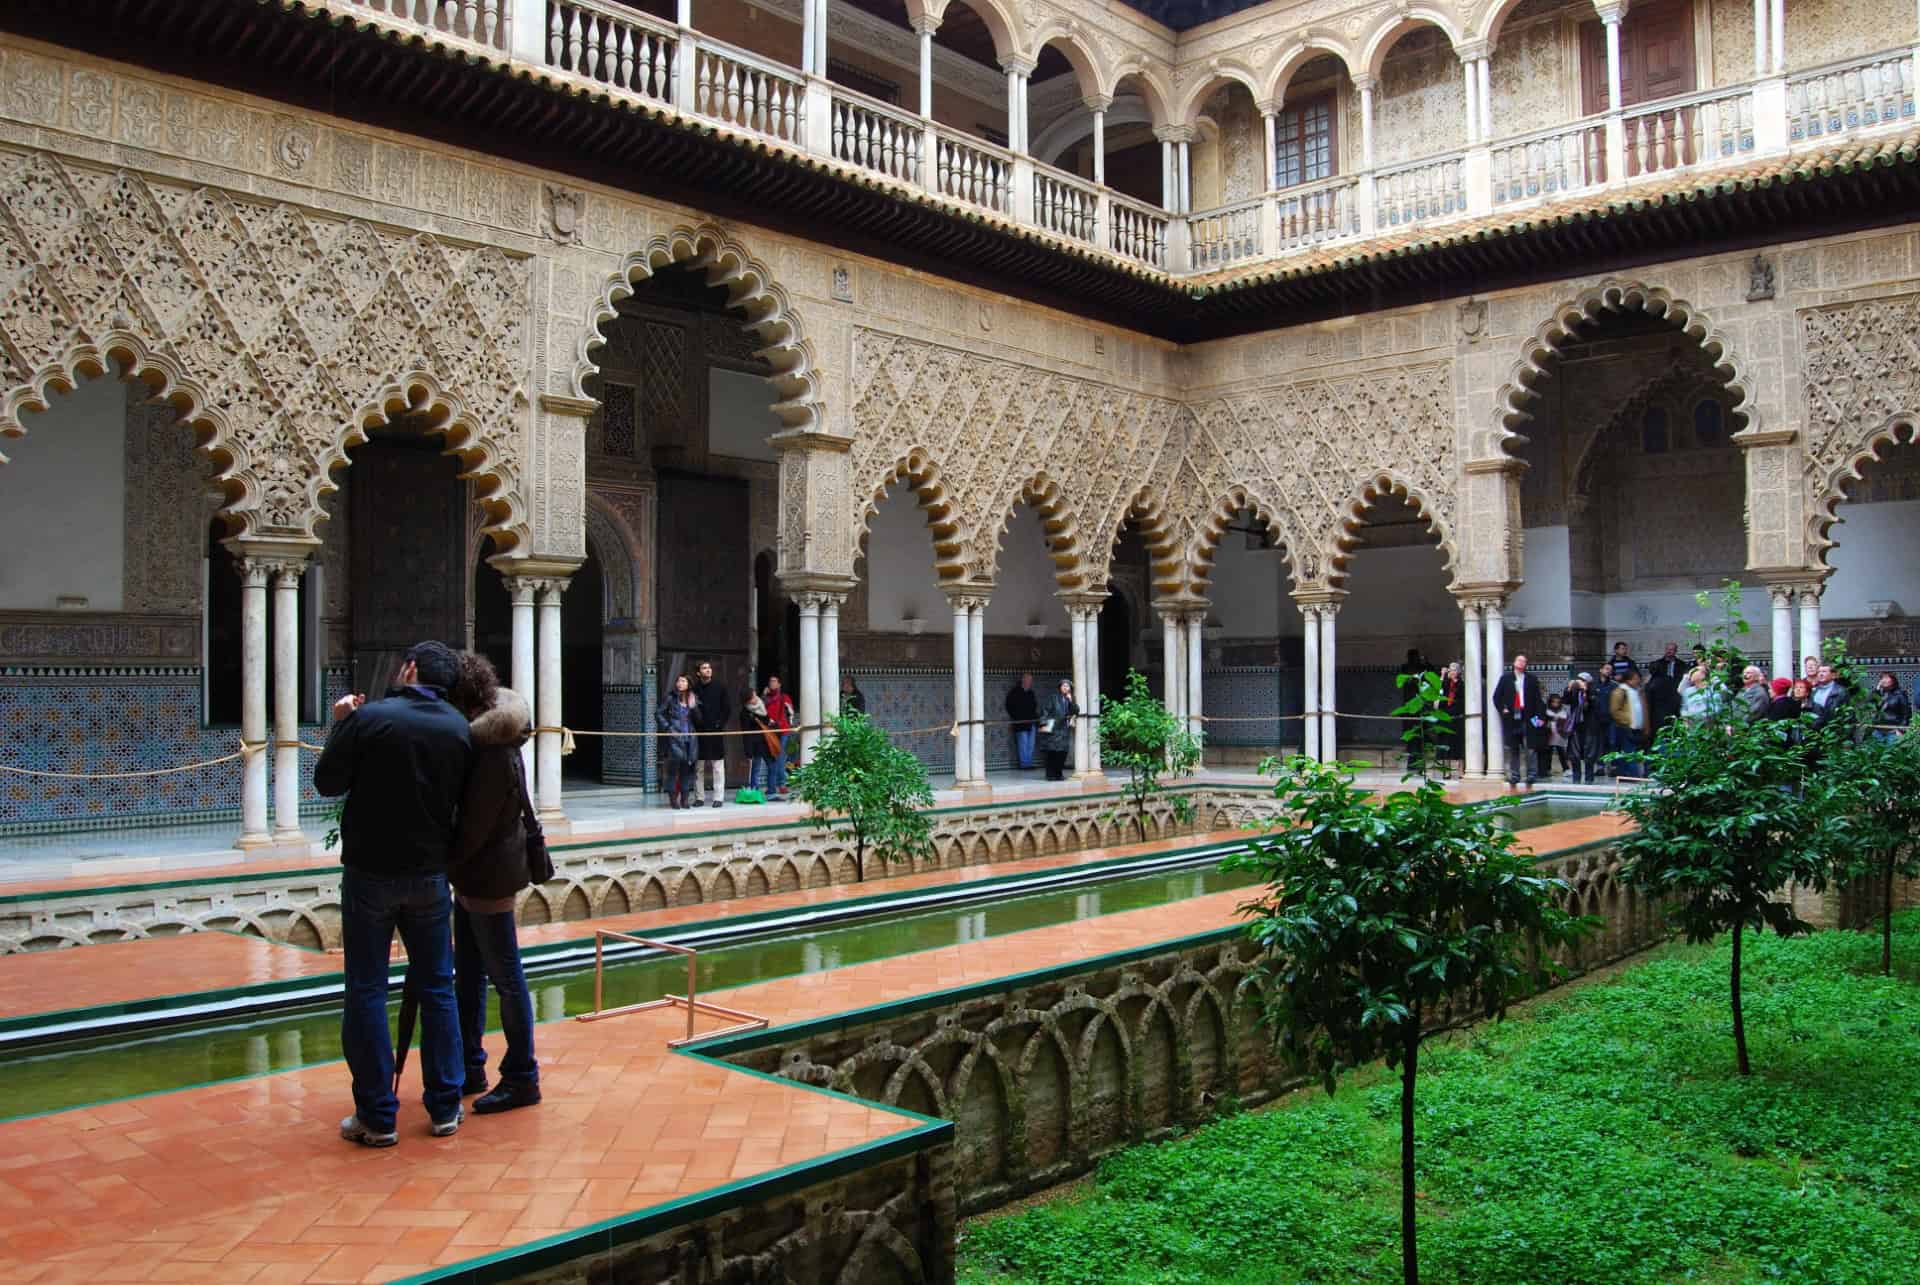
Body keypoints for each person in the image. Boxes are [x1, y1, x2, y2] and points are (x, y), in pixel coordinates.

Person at [313, 640, 472, 1148]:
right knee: (438, 988)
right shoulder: (459, 730)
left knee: (366, 990)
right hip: (429, 876)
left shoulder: (372, 718)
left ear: (408, 669)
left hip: (371, 875)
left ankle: (378, 1116)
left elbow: (326, 781)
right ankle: (445, 1106)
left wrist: (342, 724)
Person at [446, 653, 541, 1115]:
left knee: (505, 978)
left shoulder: (490, 752)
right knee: (471, 973)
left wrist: (444, 860)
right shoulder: (497, 741)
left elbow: (475, 828)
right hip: (479, 876)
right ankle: (470, 1064)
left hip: (487, 877)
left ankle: (522, 1075)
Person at [1490, 653, 1544, 786]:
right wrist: (1503, 709)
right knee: (1513, 748)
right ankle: (1515, 775)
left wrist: (1538, 718)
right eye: (1519, 660)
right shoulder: (1506, 678)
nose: (1521, 663)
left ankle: (1531, 774)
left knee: (1530, 748)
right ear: (1514, 663)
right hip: (1512, 719)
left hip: (1528, 717)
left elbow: (1538, 700)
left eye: (1524, 661)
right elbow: (1497, 696)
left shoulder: (1531, 679)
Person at [689, 660, 731, 808]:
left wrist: (719, 724)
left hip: (715, 732)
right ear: (698, 672)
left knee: (718, 767)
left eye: (709, 667)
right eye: (704, 668)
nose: (708, 670)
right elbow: (691, 710)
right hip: (700, 733)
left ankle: (718, 797)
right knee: (699, 767)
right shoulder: (694, 690)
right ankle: (699, 797)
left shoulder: (720, 687)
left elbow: (727, 709)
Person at [657, 673, 698, 808]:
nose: (680, 683)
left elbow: (699, 719)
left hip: (689, 739)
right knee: (673, 771)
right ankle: (673, 799)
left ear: (688, 684)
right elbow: (658, 713)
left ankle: (685, 799)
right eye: (678, 681)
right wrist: (668, 727)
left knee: (687, 771)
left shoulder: (692, 698)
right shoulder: (670, 698)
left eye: (683, 681)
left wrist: (694, 707)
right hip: (674, 738)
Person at [1608, 668, 1650, 779]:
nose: (1637, 681)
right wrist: (1627, 720)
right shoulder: (1620, 692)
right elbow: (1614, 711)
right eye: (1635, 679)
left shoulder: (1638, 691)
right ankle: (1632, 775)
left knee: (1635, 752)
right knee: (1628, 752)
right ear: (1628, 680)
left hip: (1638, 728)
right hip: (1626, 727)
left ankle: (1629, 773)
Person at [1563, 672, 1602, 784]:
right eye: (1579, 680)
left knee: (1589, 755)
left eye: (1583, 680)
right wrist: (1569, 688)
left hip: (1590, 727)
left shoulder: (1594, 691)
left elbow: (1594, 704)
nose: (1580, 682)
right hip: (1576, 727)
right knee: (1574, 754)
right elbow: (1565, 700)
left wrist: (1586, 691)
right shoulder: (1574, 692)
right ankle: (1576, 778)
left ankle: (1589, 778)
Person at [760, 675, 796, 798]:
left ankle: (781, 784)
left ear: (779, 684)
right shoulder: (765, 698)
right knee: (772, 758)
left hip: (783, 731)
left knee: (779, 758)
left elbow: (791, 713)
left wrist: (788, 724)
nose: (772, 683)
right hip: (770, 732)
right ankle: (775, 785)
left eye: (774, 681)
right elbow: (760, 711)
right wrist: (763, 696)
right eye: (770, 681)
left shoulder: (784, 697)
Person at [1038, 678, 1078, 781]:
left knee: (1062, 753)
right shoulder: (1053, 698)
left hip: (1064, 730)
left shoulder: (1070, 699)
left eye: (1067, 686)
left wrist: (1071, 701)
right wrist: (1043, 723)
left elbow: (1076, 711)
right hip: (1054, 729)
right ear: (1060, 687)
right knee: (1052, 752)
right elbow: (1045, 711)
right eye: (1063, 686)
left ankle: (1058, 773)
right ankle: (1050, 774)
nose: (1065, 688)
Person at [1645, 643, 1685, 739]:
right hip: (1660, 701)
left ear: (1675, 651)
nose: (1669, 651)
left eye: (1672, 649)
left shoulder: (1681, 664)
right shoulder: (1656, 664)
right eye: (1667, 649)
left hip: (1675, 698)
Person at [1005, 673, 1039, 770]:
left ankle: (1029, 763)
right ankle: (1024, 765)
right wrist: (1016, 717)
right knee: (1023, 743)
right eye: (1028, 680)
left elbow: (1034, 706)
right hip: (1021, 722)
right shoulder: (1015, 692)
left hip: (1031, 722)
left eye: (1030, 680)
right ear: (1023, 680)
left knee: (1031, 744)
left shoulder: (1031, 693)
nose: (1029, 682)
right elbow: (1009, 706)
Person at [1439, 661, 1465, 771]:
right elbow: (1438, 690)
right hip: (1446, 715)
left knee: (1458, 744)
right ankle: (1446, 770)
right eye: (1450, 669)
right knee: (1446, 743)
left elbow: (1462, 695)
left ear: (1458, 672)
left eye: (1454, 669)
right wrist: (1442, 675)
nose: (1452, 671)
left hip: (1457, 717)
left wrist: (1455, 680)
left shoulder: (1461, 683)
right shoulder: (1445, 682)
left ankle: (1461, 769)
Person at [1873, 670, 1912, 741]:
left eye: (1886, 678)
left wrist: (1901, 730)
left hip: (1893, 731)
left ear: (1893, 680)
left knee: (1892, 751)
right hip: (1878, 729)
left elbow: (1907, 714)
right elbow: (1870, 703)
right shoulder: (1879, 694)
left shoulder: (1900, 694)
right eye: (1882, 678)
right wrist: (1877, 690)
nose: (1883, 680)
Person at [1543, 692, 1573, 781]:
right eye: (1553, 702)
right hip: (1549, 735)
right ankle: (1547, 769)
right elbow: (1538, 721)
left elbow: (1568, 723)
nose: (1555, 704)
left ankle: (1566, 769)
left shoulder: (1563, 712)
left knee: (1562, 752)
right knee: (1548, 753)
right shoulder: (1546, 711)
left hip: (1560, 735)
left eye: (1557, 702)